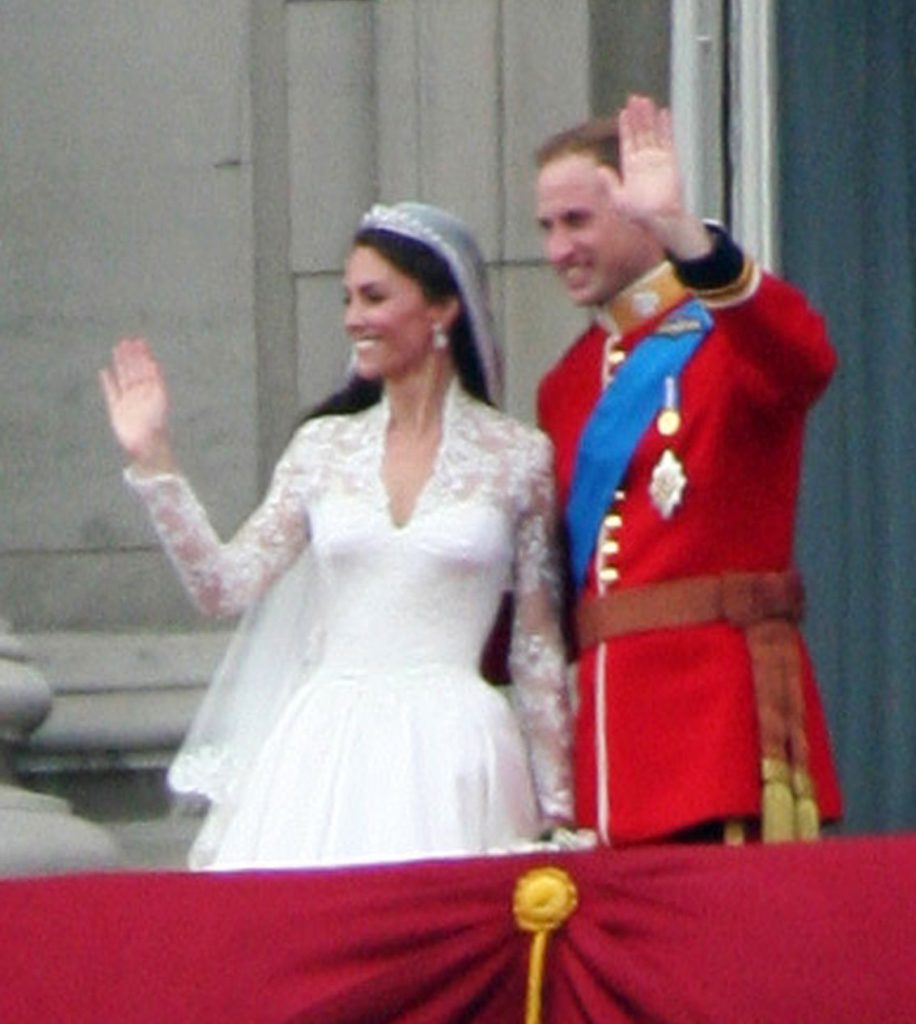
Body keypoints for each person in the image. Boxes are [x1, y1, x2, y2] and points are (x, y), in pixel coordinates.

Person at [100, 201, 574, 869]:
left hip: (458, 749)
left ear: (441, 309)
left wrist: (559, 812)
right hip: (327, 748)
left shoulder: (517, 457)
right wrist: (154, 459)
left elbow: (534, 647)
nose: (354, 318)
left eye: (374, 296)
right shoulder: (322, 447)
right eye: (347, 298)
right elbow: (223, 585)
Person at [533, 94, 842, 846]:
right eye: (546, 227)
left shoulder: (727, 340)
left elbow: (805, 356)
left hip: (715, 738)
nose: (557, 249)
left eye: (578, 221)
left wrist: (685, 234)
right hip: (607, 749)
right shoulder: (567, 384)